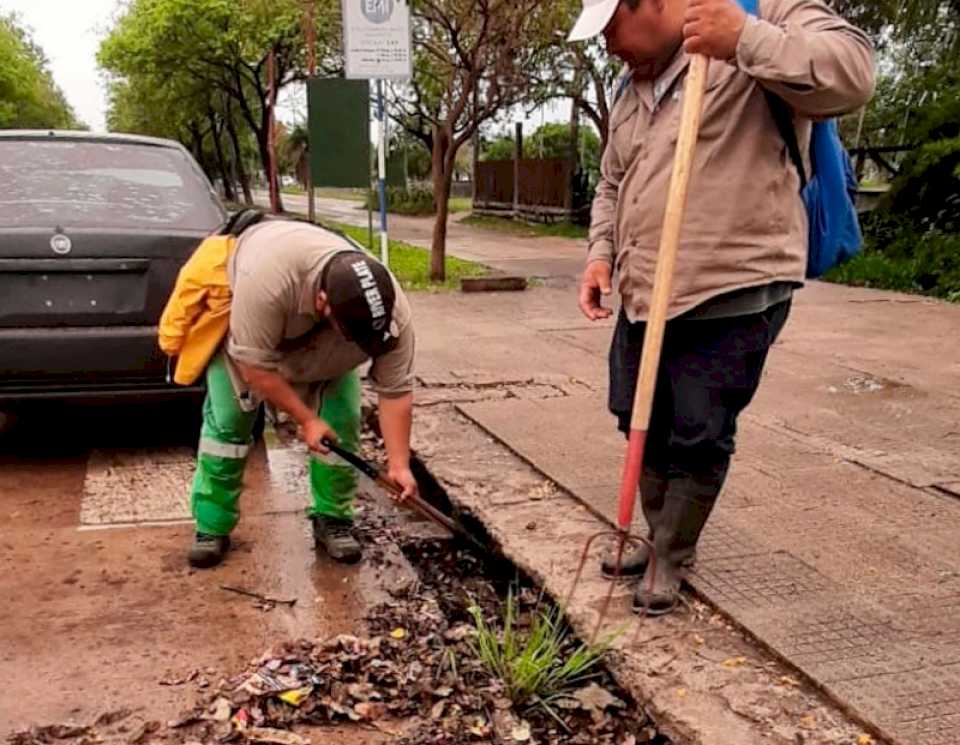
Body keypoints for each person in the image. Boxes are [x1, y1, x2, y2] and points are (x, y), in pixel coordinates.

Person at [568, 0, 875, 614]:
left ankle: (672, 554)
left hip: (731, 289)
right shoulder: (634, 88)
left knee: (698, 431)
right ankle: (657, 533)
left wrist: (745, 39)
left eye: (608, 29)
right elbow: (612, 181)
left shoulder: (762, 15)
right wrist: (601, 253)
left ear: (644, 5)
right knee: (635, 414)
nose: (606, 46)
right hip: (643, 291)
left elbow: (853, 73)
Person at [181, 216, 418, 569]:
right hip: (253, 346)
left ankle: (333, 518)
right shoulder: (267, 281)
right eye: (356, 335)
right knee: (229, 427)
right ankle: (212, 526)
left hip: (323, 353)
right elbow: (255, 369)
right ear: (323, 302)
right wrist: (306, 420)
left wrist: (399, 464)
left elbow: (395, 391)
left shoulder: (391, 311)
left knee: (341, 423)